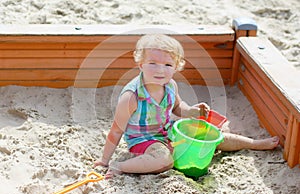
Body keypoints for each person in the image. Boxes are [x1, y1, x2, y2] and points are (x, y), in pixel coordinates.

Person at [93, 34, 279, 178]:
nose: (160, 70)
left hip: (167, 131)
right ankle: (120, 166)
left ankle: (255, 144)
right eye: (153, 63)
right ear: (140, 64)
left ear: (176, 67)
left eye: (167, 64)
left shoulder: (170, 85)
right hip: (143, 140)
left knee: (212, 136)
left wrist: (192, 111)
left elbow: (177, 108)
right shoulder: (131, 96)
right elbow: (116, 131)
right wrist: (104, 160)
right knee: (164, 160)